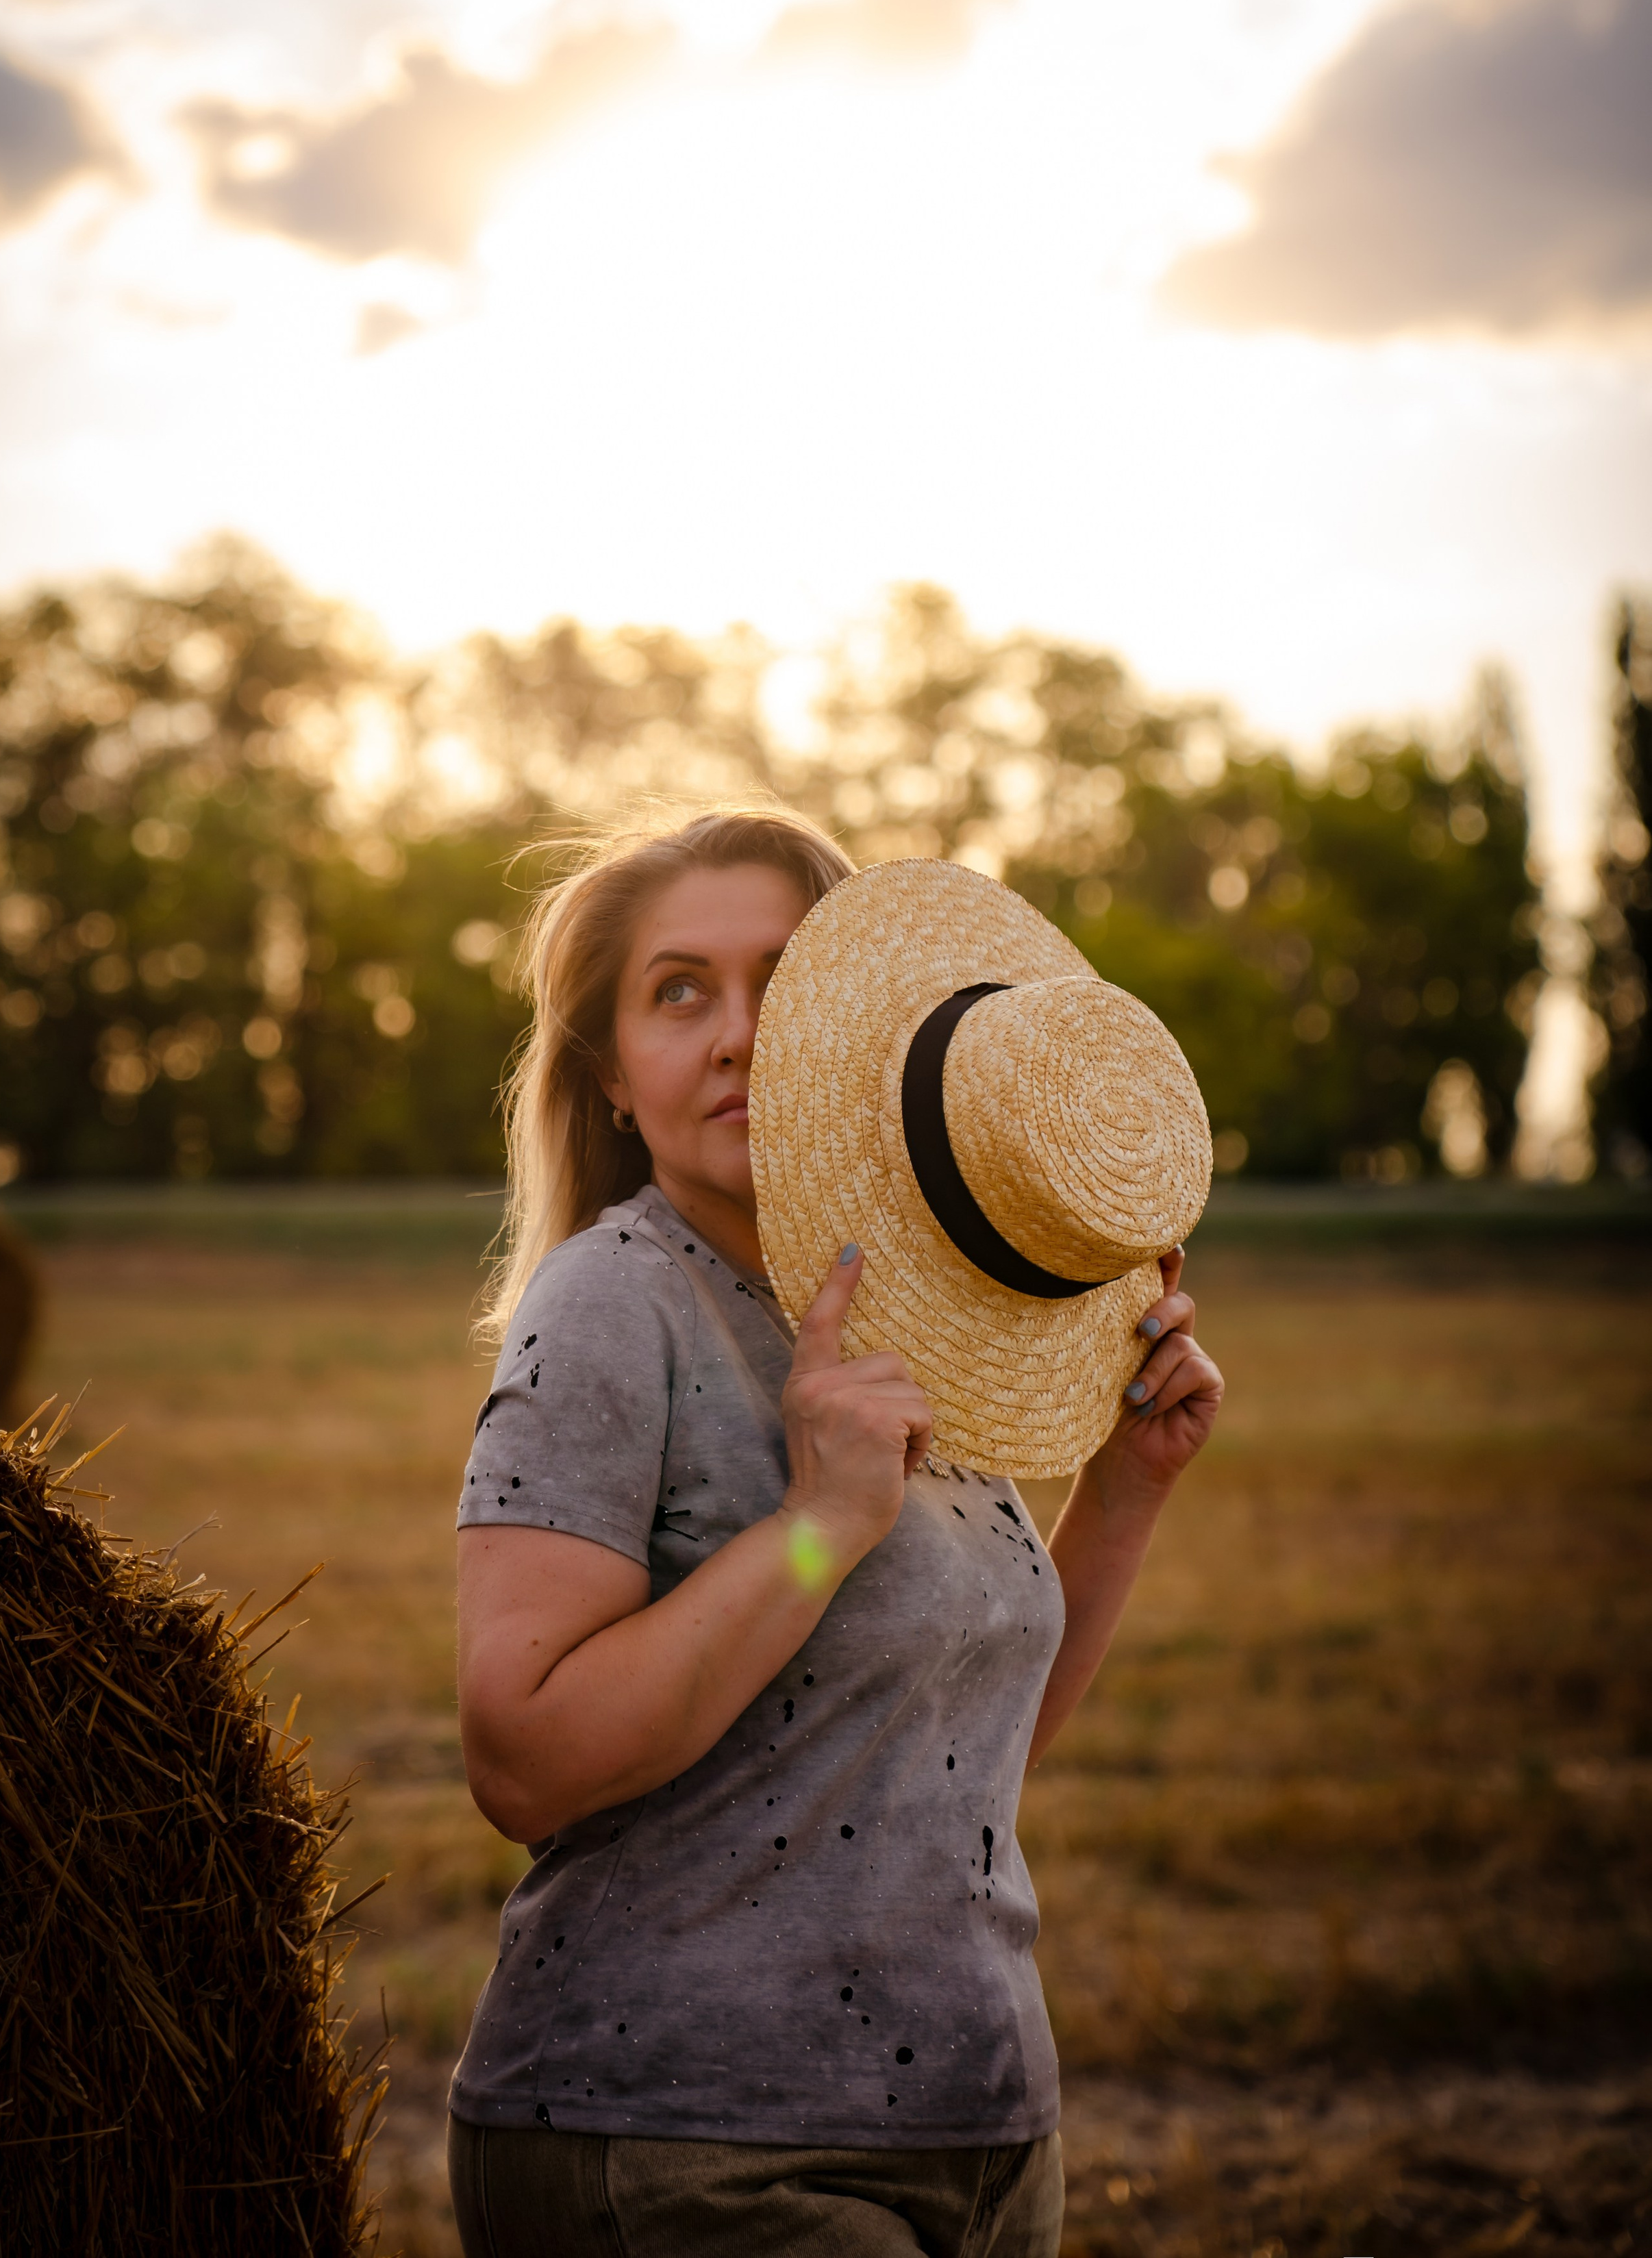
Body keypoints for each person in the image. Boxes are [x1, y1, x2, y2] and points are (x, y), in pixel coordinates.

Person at [450, 808, 1223, 2257]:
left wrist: (1121, 1492)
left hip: (982, 2138)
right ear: (615, 1078)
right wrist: (816, 1526)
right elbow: (520, 1758)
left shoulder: (925, 1312)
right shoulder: (617, 1304)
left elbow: (939, 1759)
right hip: (692, 2146)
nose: (736, 1032)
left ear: (856, 1029)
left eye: (780, 978)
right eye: (678, 992)